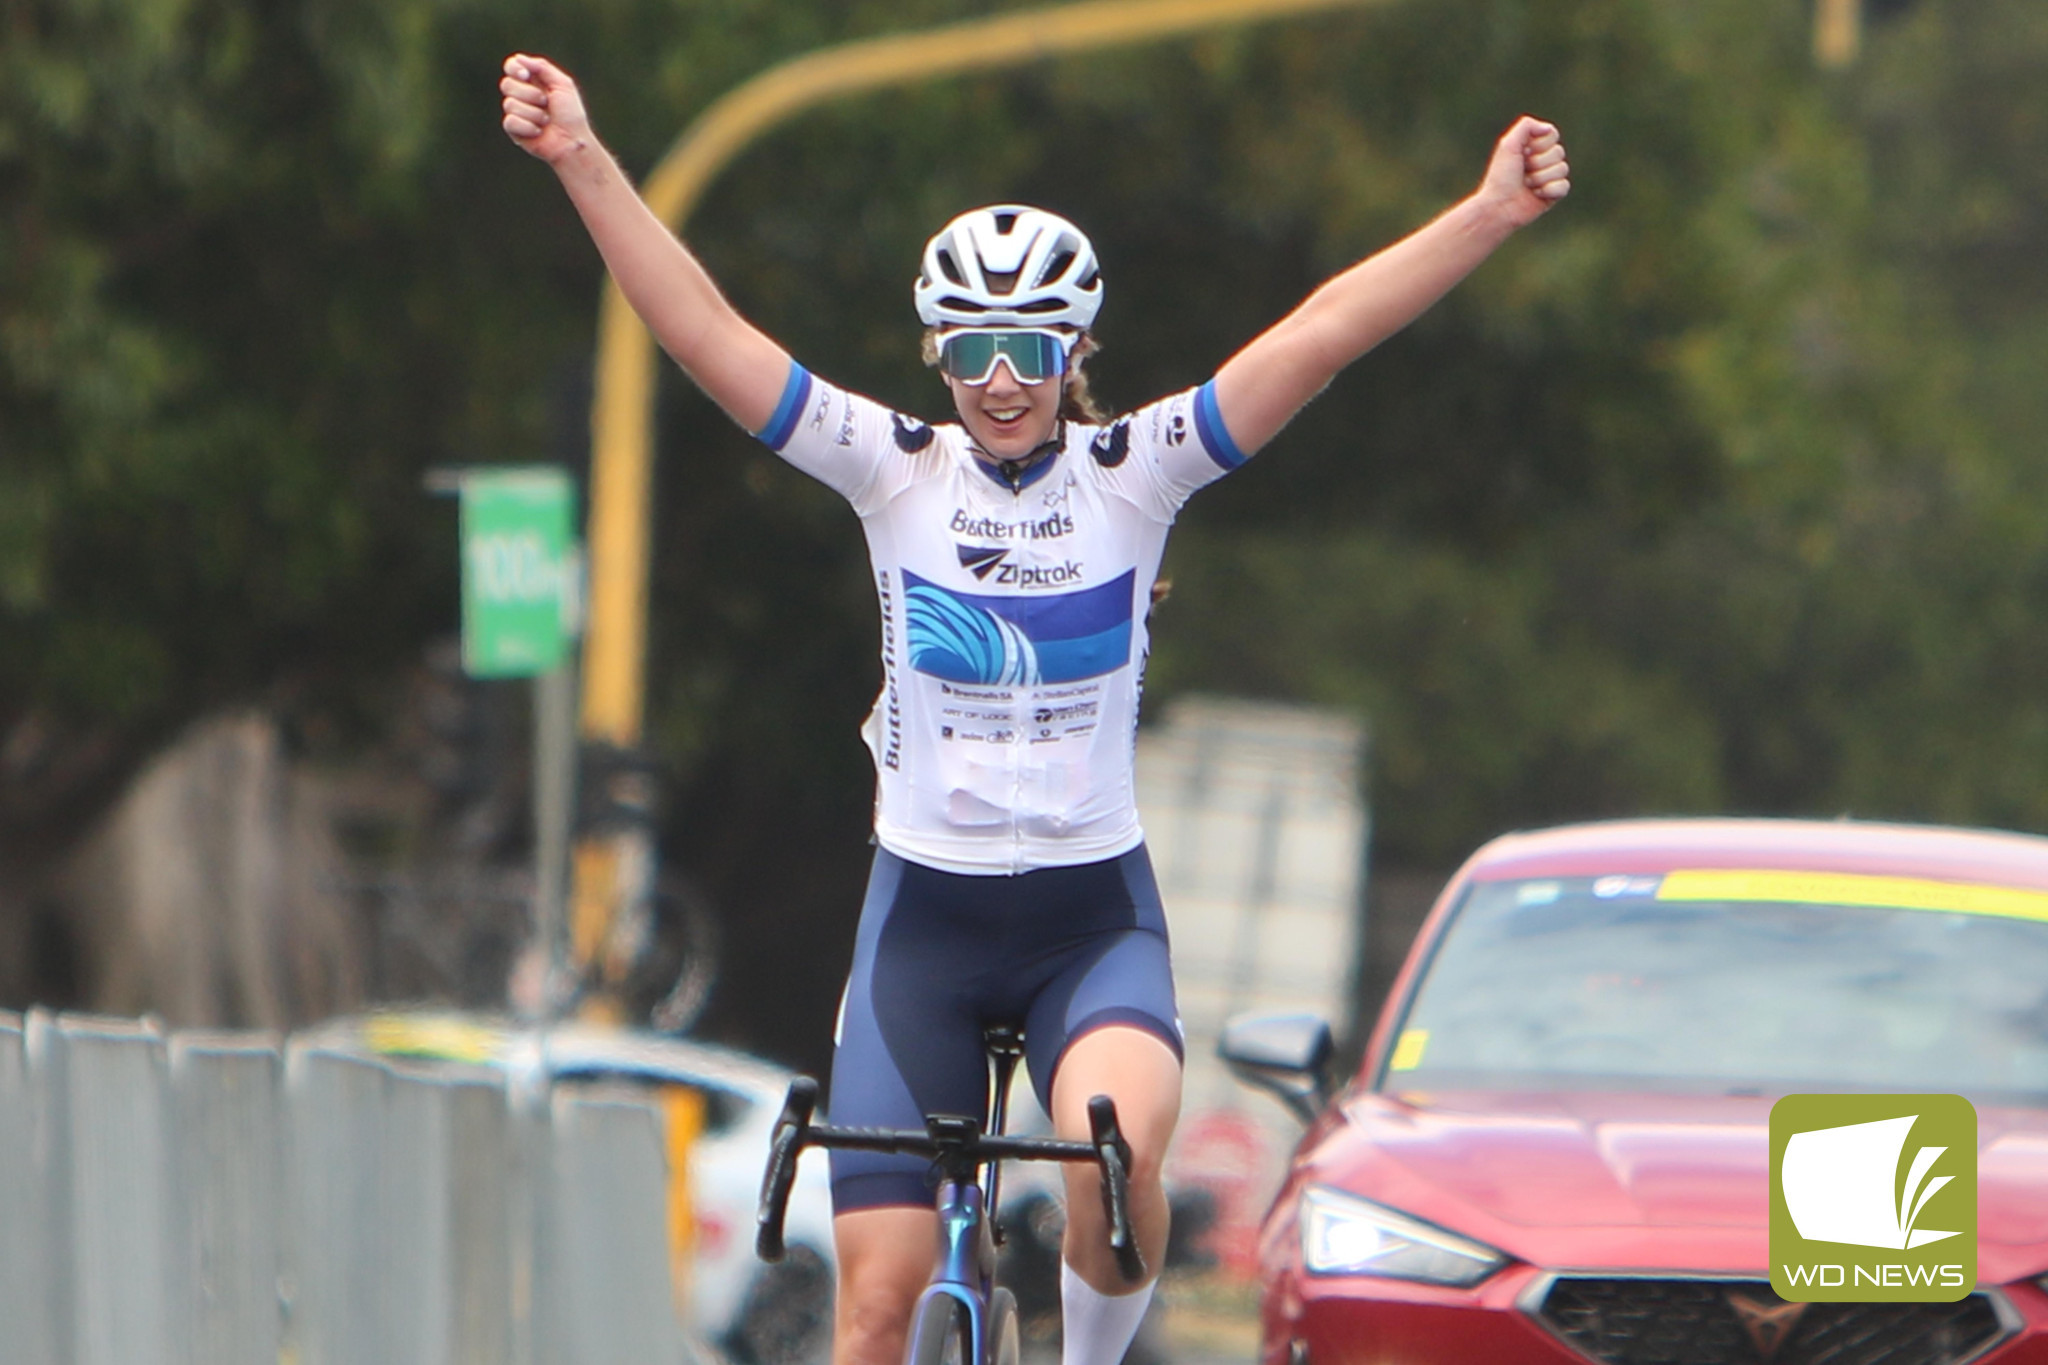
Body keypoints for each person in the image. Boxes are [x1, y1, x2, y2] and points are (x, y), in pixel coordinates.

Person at [500, 51, 1567, 1365]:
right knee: (877, 1308)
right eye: (974, 352)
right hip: (922, 930)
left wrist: (1488, 214)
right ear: (939, 351)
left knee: (1112, 1178)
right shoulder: (892, 471)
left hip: (1086, 925)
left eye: (1033, 349)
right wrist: (583, 160)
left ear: (1076, 350)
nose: (1002, 381)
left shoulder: (1140, 475)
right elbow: (708, 336)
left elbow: (1319, 336)